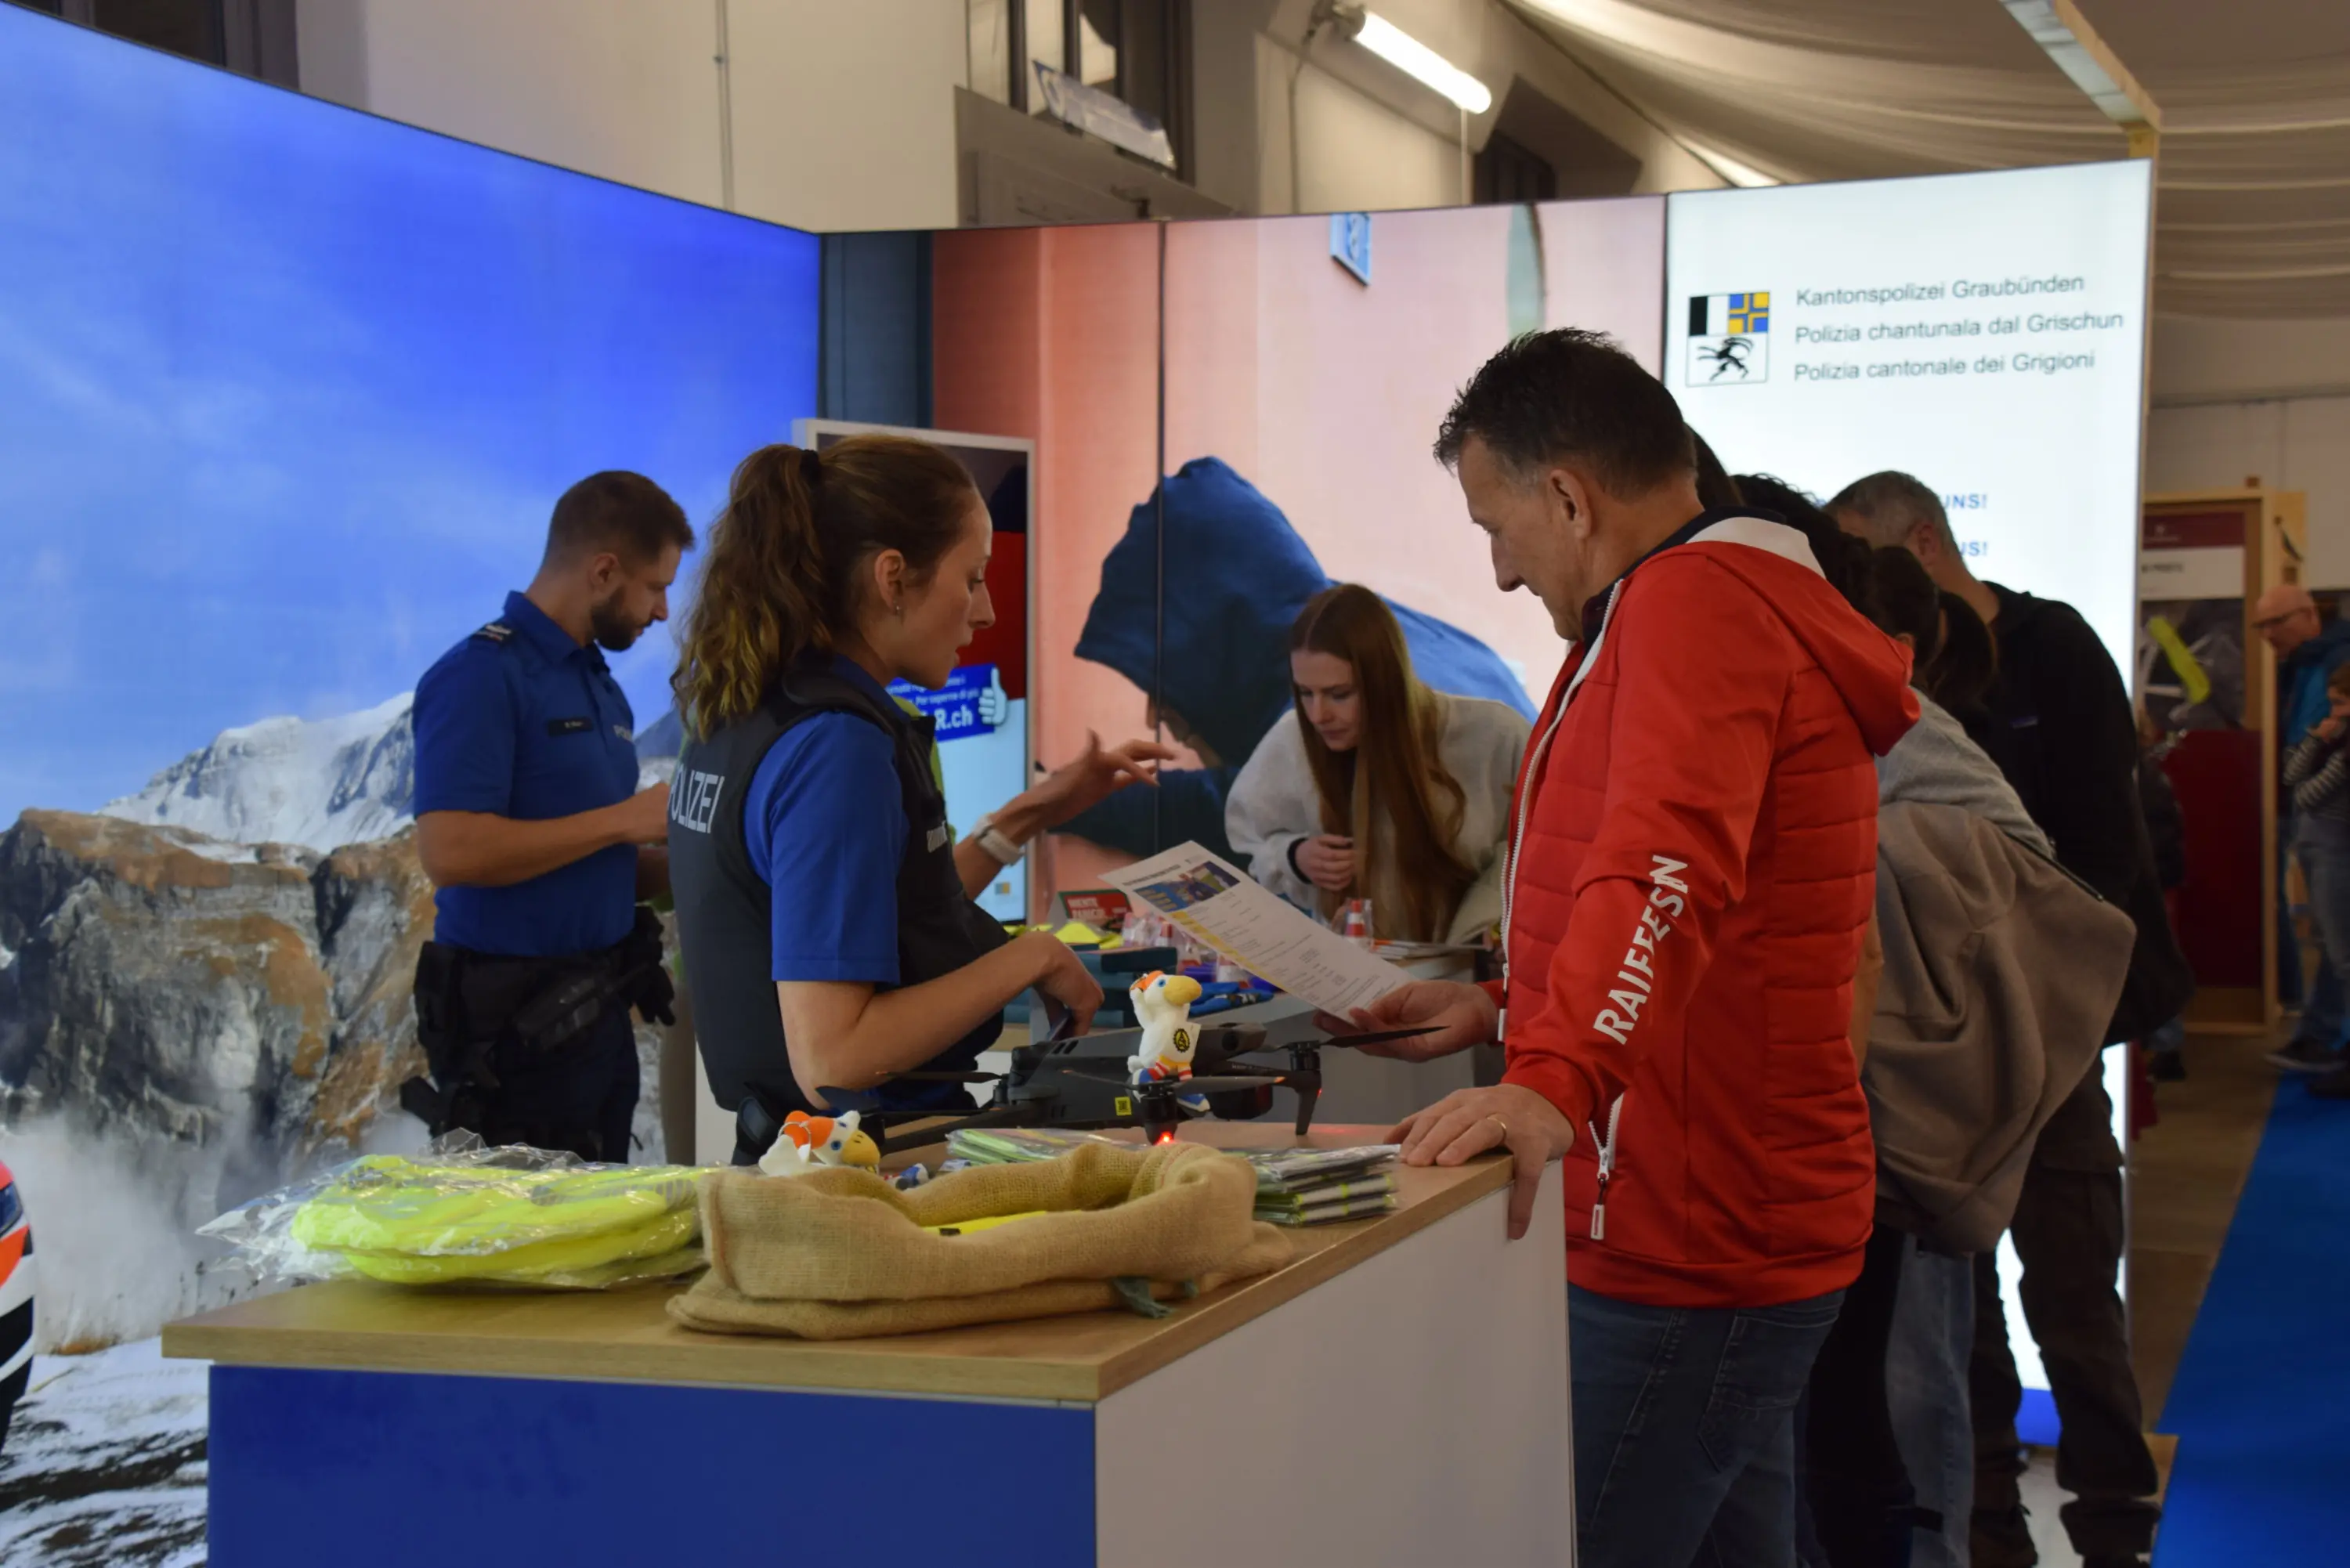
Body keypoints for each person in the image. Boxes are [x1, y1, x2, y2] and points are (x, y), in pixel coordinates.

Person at [1327, 330, 1918, 1567]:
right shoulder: (1694, 605)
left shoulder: (1695, 607)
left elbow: (1664, 871)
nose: (1499, 571)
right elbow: (1702, 913)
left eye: (1497, 529)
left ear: (1568, 497)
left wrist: (1553, 1078)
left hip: (1689, 1232)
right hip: (1716, 1213)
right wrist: (1508, 1010)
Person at [1831, 471, 2181, 1568]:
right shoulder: (1882, 689)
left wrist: (2040, 997)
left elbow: (2106, 853)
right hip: (1934, 1055)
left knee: (2076, 1305)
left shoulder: (2053, 647)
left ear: (1921, 545)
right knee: (1959, 1326)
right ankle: (1990, 1539)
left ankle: (2115, 1534)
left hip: (2050, 1038)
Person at [663, 437, 1107, 1165]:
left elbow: (884, 914)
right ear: (892, 578)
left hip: (798, 1166)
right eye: (972, 579)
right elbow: (833, 1057)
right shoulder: (838, 747)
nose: (987, 612)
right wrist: (1029, 958)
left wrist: (1028, 817)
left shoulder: (745, 712)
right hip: (865, 1175)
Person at [405, 471, 691, 1163]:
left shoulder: (601, 687)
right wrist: (621, 820)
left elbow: (592, 864)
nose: (662, 612)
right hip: (513, 1040)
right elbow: (451, 851)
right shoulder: (480, 675)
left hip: (598, 1018)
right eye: (655, 588)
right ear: (603, 571)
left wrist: (706, 861)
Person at [1058, 457, 1534, 865]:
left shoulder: (1335, 708)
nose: (1155, 716)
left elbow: (1221, 809)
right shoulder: (1374, 624)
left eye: (1168, 680)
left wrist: (1051, 799)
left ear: (1220, 645)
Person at [1224, 583, 1529, 944]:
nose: (1319, 715)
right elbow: (1253, 839)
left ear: (1386, 681)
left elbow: (1535, 852)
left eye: (1339, 694)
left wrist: (1481, 926)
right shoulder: (1296, 738)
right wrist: (1295, 856)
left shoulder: (1493, 736)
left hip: (1473, 967)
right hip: (1353, 966)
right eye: (1305, 693)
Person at [2254, 583, 2350, 1072]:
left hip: (2331, 822)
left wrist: (2309, 765)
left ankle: (2323, 1037)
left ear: (2310, 614)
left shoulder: (2334, 661)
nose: (2269, 634)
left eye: (2277, 622)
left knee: (2338, 942)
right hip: (2316, 818)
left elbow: (2311, 774)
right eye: (2261, 626)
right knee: (2333, 940)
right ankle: (2320, 1034)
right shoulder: (2300, 665)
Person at [2283, 664, 2350, 1100]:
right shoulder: (2335, 742)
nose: (2334, 712)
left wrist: (2326, 750)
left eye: (2341, 703)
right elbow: (2292, 777)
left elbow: (2306, 794)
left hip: (2336, 853)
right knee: (2335, 951)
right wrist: (2316, 739)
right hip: (2319, 850)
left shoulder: (2345, 754)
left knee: (2345, 959)